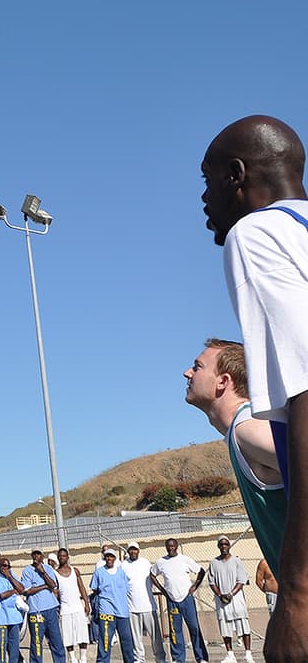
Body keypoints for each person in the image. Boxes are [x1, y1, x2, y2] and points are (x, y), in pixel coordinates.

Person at [200, 114, 308, 660]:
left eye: (206, 180)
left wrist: (299, 594)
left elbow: (307, 399)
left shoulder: (259, 234)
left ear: (235, 177)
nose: (202, 199)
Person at [183, 339, 286, 572]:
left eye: (198, 366)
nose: (187, 373)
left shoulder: (248, 428)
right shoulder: (241, 431)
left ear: (223, 381)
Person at [148, 540, 206, 663]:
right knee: (175, 630)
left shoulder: (184, 559)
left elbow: (201, 571)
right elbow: (152, 574)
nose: (171, 548)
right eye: (168, 546)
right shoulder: (161, 562)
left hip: (186, 598)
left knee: (194, 627)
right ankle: (178, 658)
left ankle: (201, 657)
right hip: (172, 600)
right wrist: (163, 590)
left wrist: (195, 586)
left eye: (173, 546)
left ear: (177, 546)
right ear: (166, 547)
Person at [206, 538, 251, 663]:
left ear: (229, 545)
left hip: (236, 599)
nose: (224, 546)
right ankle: (230, 655)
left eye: (226, 544)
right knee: (225, 626)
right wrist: (220, 595)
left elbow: (241, 580)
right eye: (221, 544)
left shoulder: (237, 561)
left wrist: (231, 594)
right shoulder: (214, 563)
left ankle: (248, 654)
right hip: (222, 601)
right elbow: (212, 582)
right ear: (218, 546)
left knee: (243, 625)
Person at [121, 543, 165, 663]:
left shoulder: (145, 563)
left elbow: (153, 578)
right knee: (136, 638)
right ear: (128, 551)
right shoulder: (123, 565)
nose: (133, 552)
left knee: (156, 636)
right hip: (132, 608)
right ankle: (139, 659)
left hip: (148, 606)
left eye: (135, 550)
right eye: (131, 550)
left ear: (138, 551)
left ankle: (160, 658)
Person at [19, 549, 65, 663]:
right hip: (36, 611)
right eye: (34, 554)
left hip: (51, 609)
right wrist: (44, 587)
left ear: (42, 556)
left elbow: (53, 585)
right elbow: (27, 591)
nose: (36, 556)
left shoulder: (48, 569)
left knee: (56, 641)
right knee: (37, 644)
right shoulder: (27, 571)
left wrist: (42, 572)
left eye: (39, 554)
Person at [88, 549, 133, 663]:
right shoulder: (99, 572)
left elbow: (126, 589)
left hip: (122, 611)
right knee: (105, 640)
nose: (109, 559)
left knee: (126, 640)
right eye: (107, 556)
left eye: (111, 557)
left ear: (114, 558)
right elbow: (94, 588)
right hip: (106, 611)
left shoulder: (121, 573)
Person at [54, 549, 90, 663]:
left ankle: (83, 657)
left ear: (68, 557)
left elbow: (82, 587)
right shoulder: (55, 573)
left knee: (82, 634)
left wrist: (86, 603)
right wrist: (57, 607)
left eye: (64, 556)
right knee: (68, 636)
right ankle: (72, 658)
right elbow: (55, 593)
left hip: (78, 607)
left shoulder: (75, 571)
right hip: (65, 609)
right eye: (60, 556)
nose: (62, 558)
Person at [0, 558, 24, 663]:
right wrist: (14, 590)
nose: (6, 568)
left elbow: (21, 589)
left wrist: (10, 577)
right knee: (1, 649)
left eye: (8, 566)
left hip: (14, 618)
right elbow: (2, 595)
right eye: (3, 566)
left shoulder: (12, 576)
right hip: (1, 618)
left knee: (14, 649)